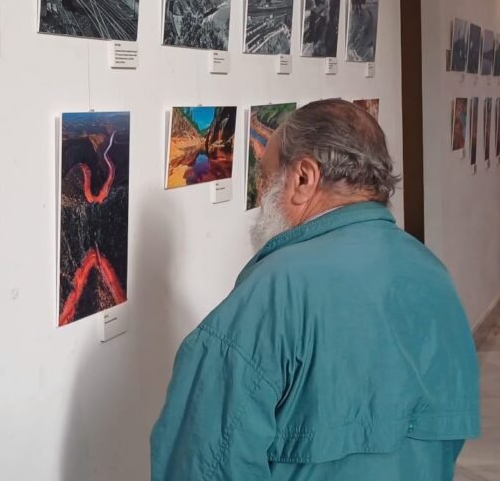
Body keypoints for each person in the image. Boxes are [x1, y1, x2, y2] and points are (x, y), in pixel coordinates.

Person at [151, 100, 479, 480]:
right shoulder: (432, 272)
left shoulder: (274, 292)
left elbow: (203, 465)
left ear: (304, 178)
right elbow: (447, 434)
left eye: (265, 178)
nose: (261, 196)